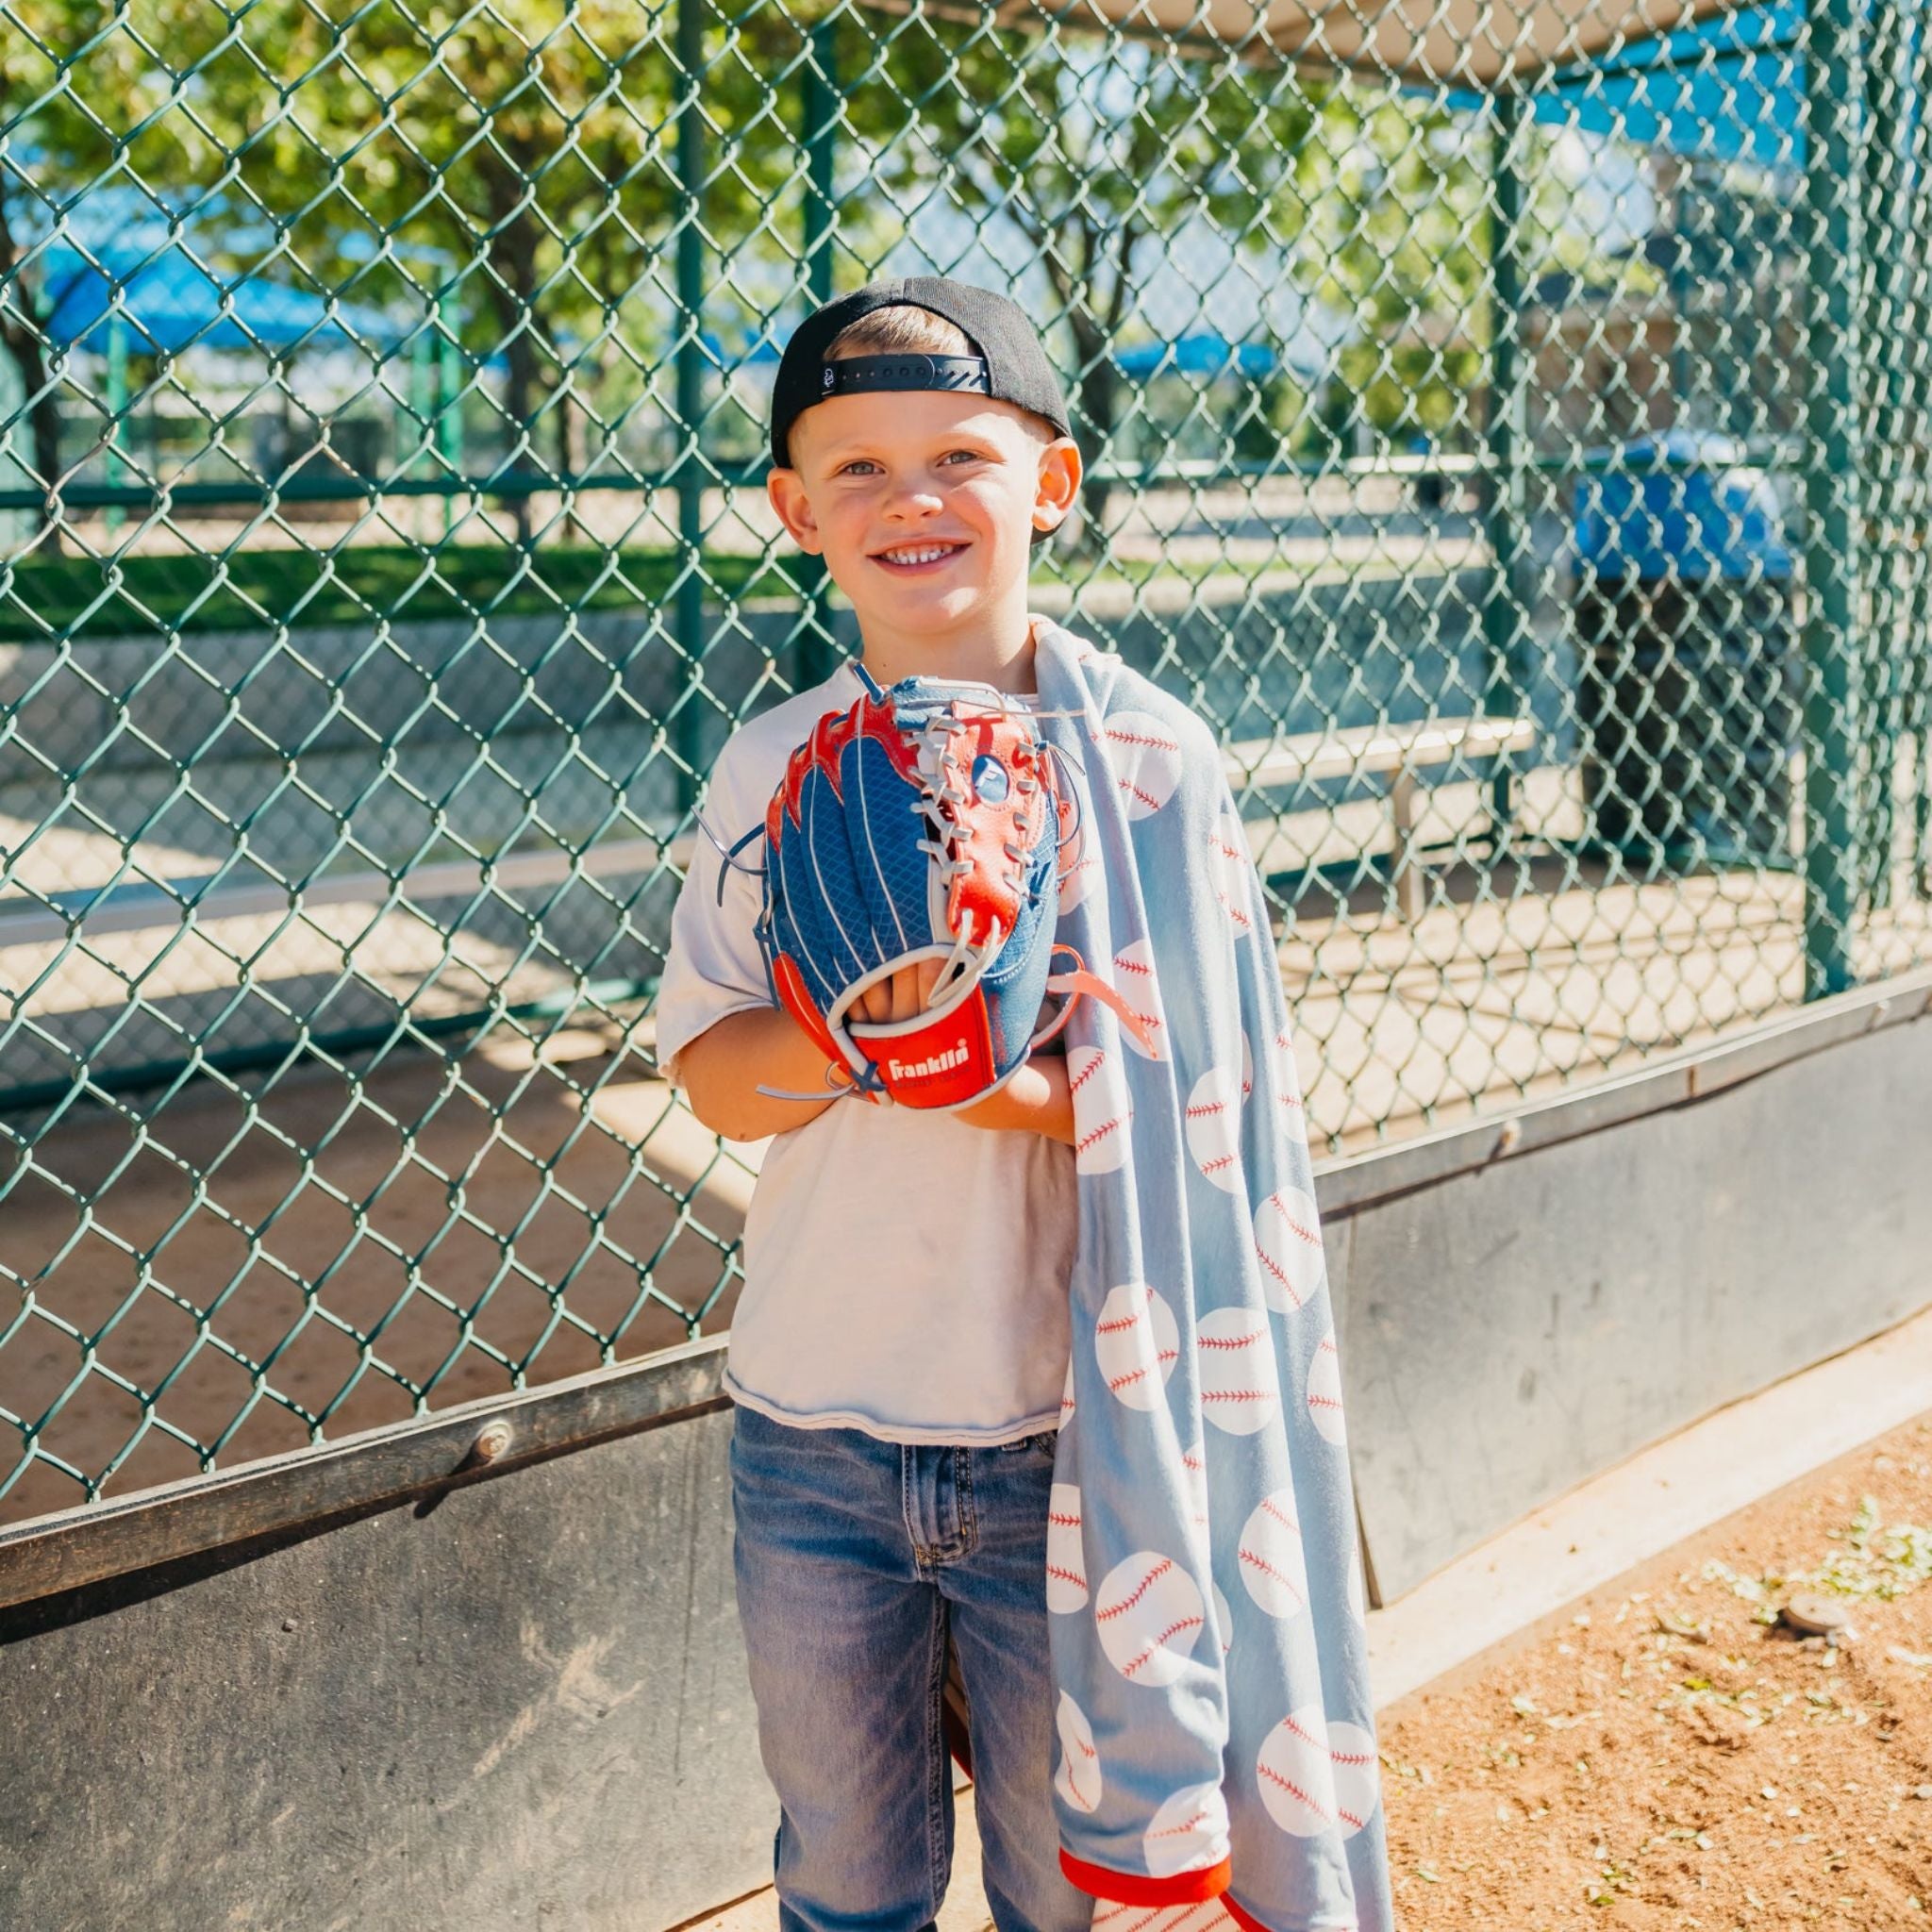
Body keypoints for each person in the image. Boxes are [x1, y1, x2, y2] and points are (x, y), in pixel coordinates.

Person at [655, 276, 1097, 1932]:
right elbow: (716, 1079)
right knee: (845, 1878)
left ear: (1052, 484)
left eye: (960, 455)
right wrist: (861, 1044)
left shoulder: (1134, 763)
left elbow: (1199, 1098)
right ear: (797, 512)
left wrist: (972, 1068)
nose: (913, 498)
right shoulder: (773, 765)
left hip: (1067, 1431)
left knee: (1071, 1878)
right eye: (858, 468)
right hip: (816, 1432)